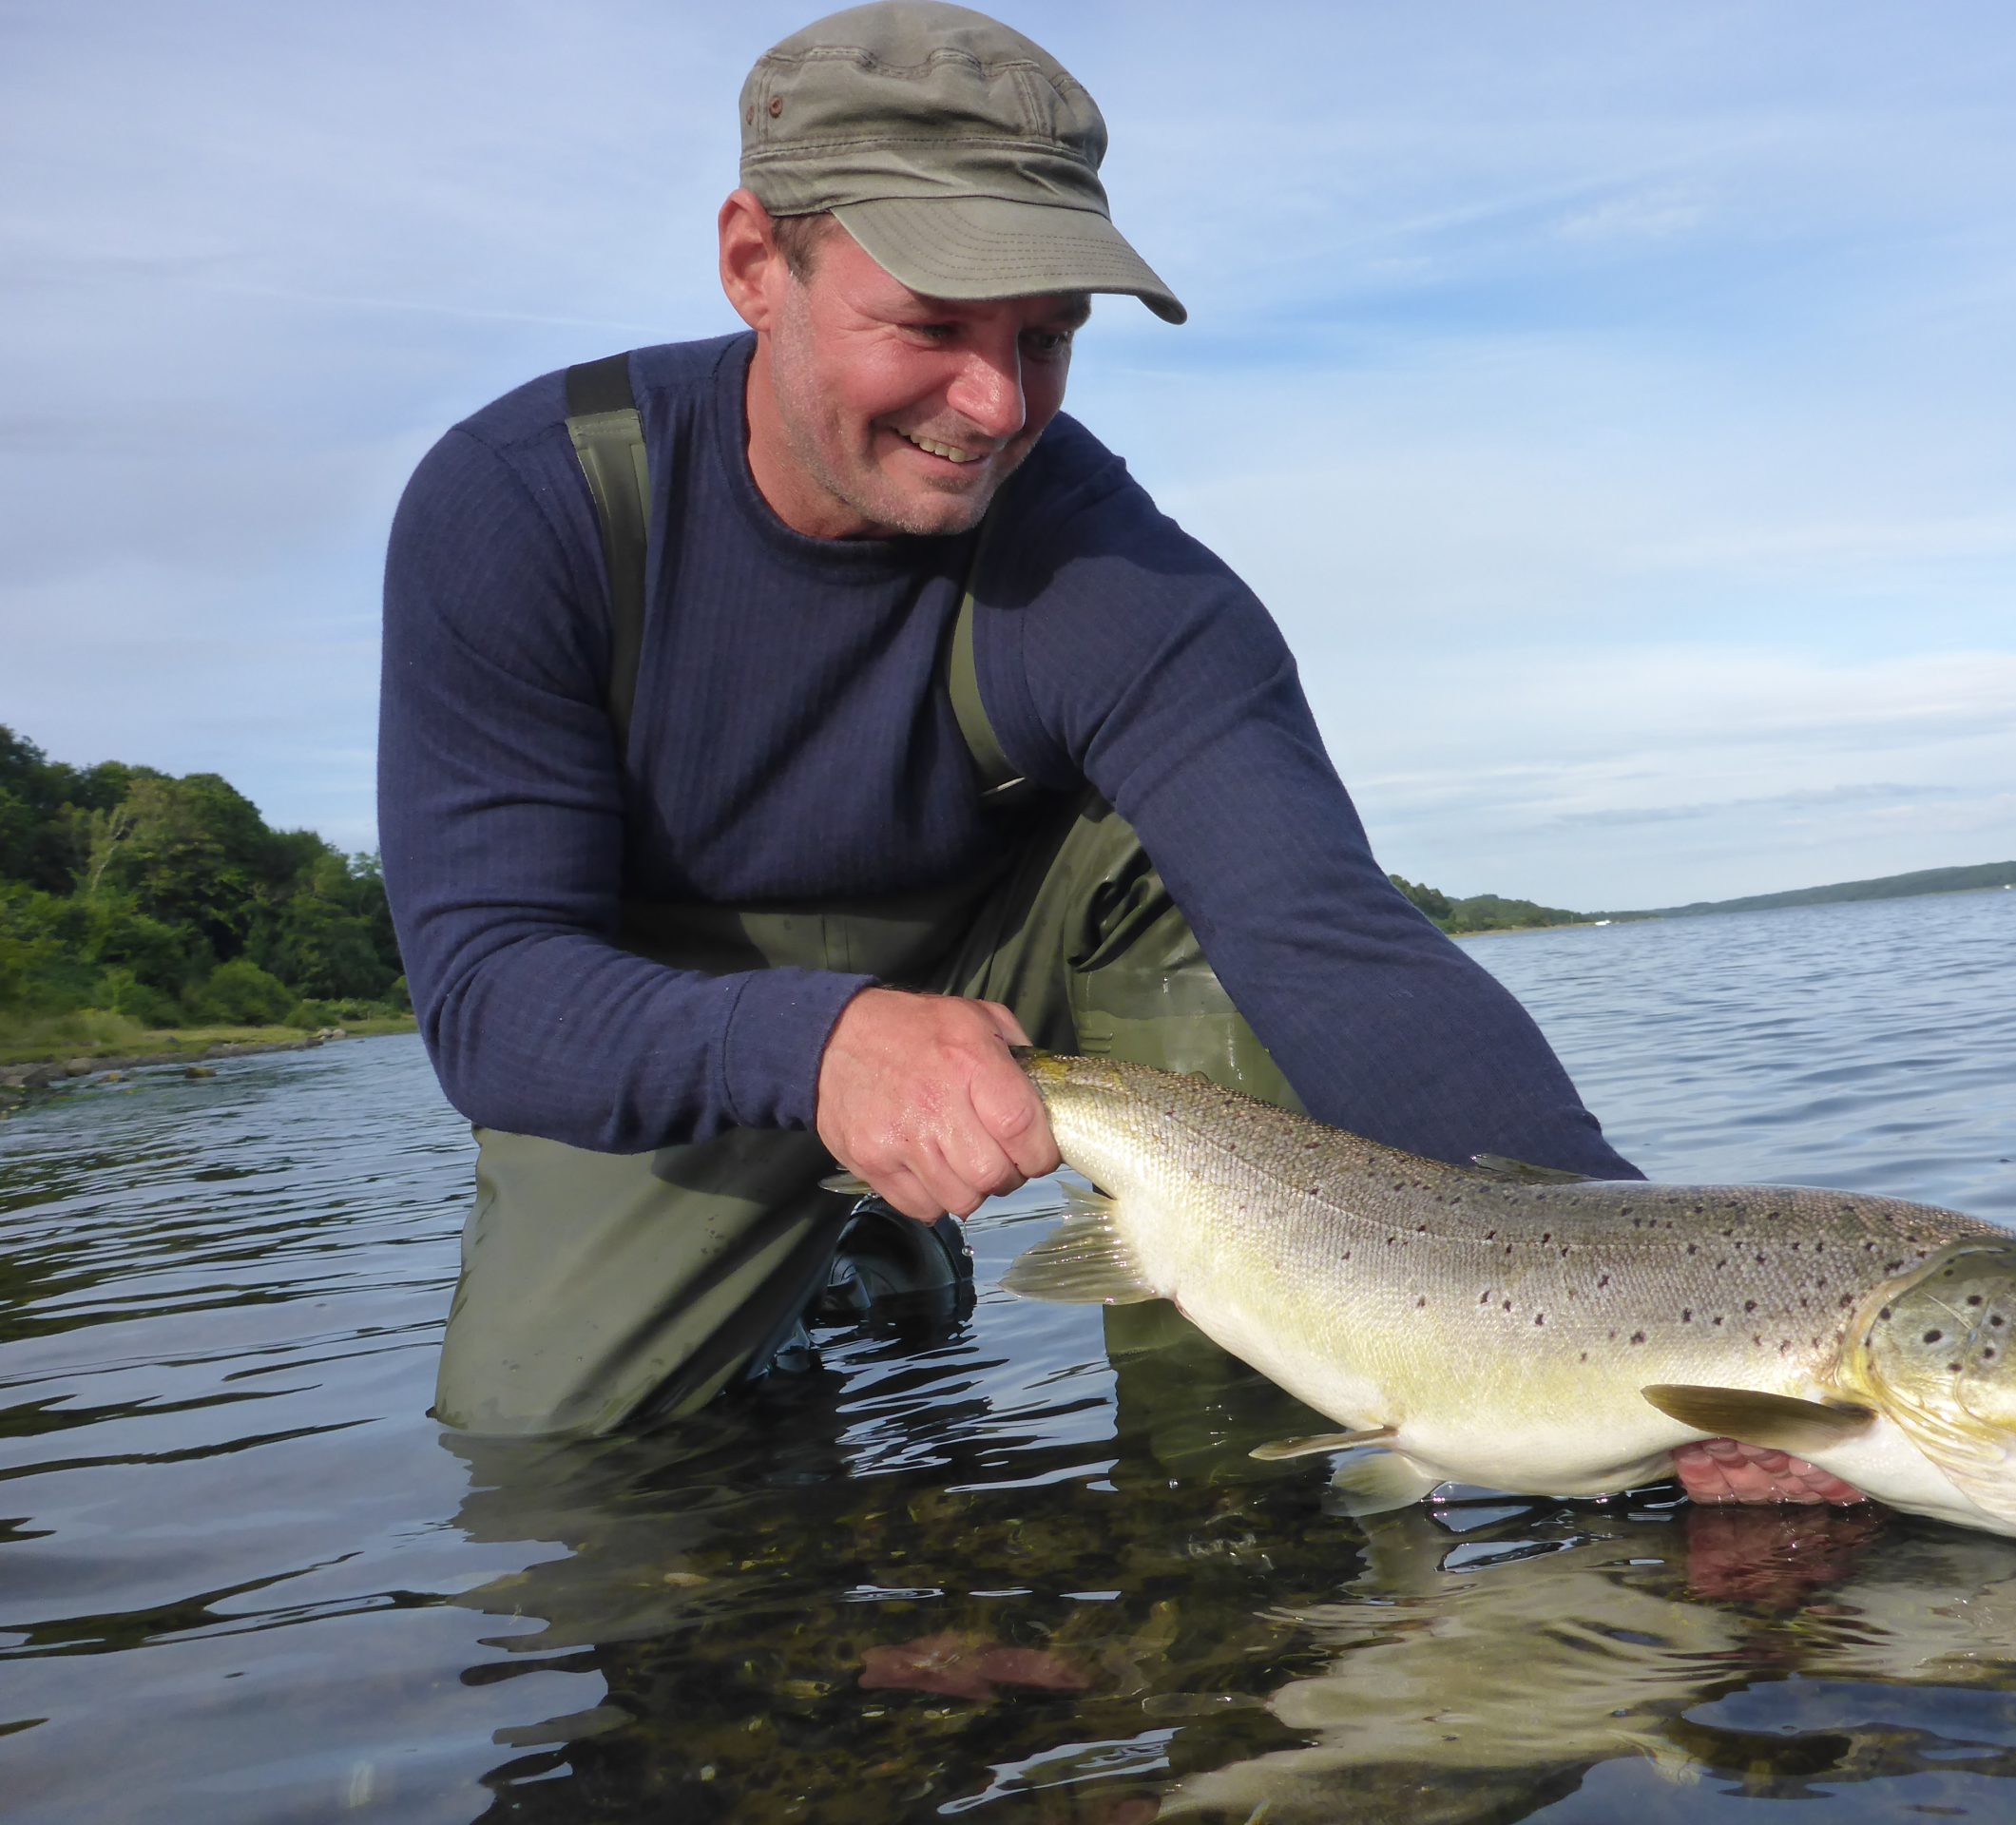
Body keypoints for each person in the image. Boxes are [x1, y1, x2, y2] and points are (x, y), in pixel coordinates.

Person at [377, 1, 1852, 1504]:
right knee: (551, 1452)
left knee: (1175, 866)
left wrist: (1645, 1313)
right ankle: (862, 1229)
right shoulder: (523, 509)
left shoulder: (1121, 580)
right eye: (934, 326)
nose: (997, 406)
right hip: (670, 1019)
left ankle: (1228, 1520)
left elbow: (1331, 943)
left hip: (1016, 983)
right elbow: (493, 996)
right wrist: (818, 1044)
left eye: (1048, 336)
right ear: (758, 263)